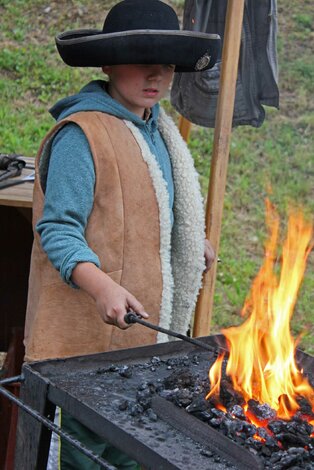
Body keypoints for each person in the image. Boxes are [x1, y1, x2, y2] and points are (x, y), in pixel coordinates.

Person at [24, 0, 220, 468]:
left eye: (166, 65)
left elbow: (143, 211)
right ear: (108, 63)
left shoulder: (158, 132)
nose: (155, 75)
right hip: (84, 351)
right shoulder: (82, 134)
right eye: (140, 61)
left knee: (133, 454)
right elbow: (58, 228)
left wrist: (188, 245)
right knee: (84, 456)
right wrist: (103, 286)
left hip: (140, 346)